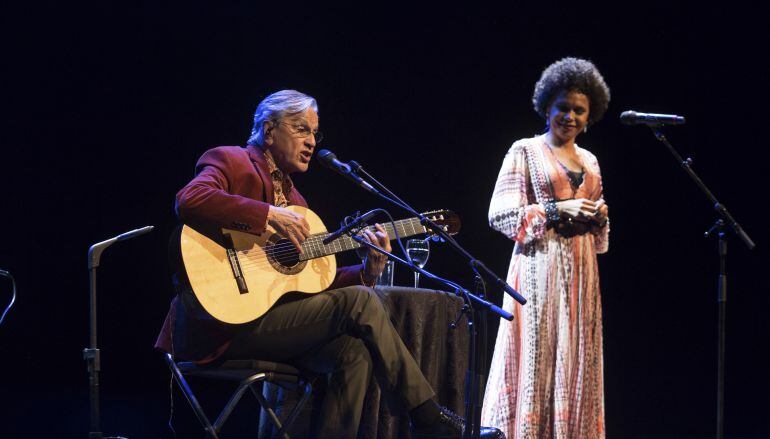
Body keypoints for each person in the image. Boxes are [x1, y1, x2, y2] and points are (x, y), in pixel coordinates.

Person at [155, 90, 503, 439]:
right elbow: (190, 200)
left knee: (352, 352)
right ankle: (427, 418)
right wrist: (266, 214)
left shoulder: (298, 204)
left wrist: (366, 271)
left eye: (314, 134)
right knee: (362, 301)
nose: (311, 142)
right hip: (219, 324)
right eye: (301, 129)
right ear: (268, 129)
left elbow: (312, 285)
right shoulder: (232, 161)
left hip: (269, 324)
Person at [480, 58, 611, 438]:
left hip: (582, 275)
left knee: (576, 359)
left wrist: (598, 215)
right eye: (563, 107)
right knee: (537, 357)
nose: (569, 116)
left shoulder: (590, 161)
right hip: (539, 270)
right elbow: (500, 214)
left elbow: (601, 236)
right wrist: (557, 209)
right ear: (548, 107)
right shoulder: (525, 150)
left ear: (589, 117)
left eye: (578, 111)